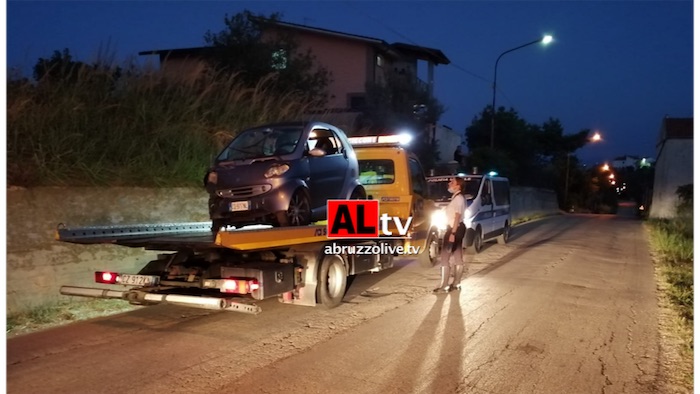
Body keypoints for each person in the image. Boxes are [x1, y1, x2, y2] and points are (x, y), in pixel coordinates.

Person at [433, 176, 467, 293]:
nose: (449, 183)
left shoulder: (458, 199)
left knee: (444, 257)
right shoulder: (458, 198)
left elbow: (457, 216)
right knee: (458, 255)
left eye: (452, 182)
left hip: (454, 228)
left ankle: (444, 286)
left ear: (458, 186)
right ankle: (456, 284)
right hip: (458, 227)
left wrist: (452, 232)